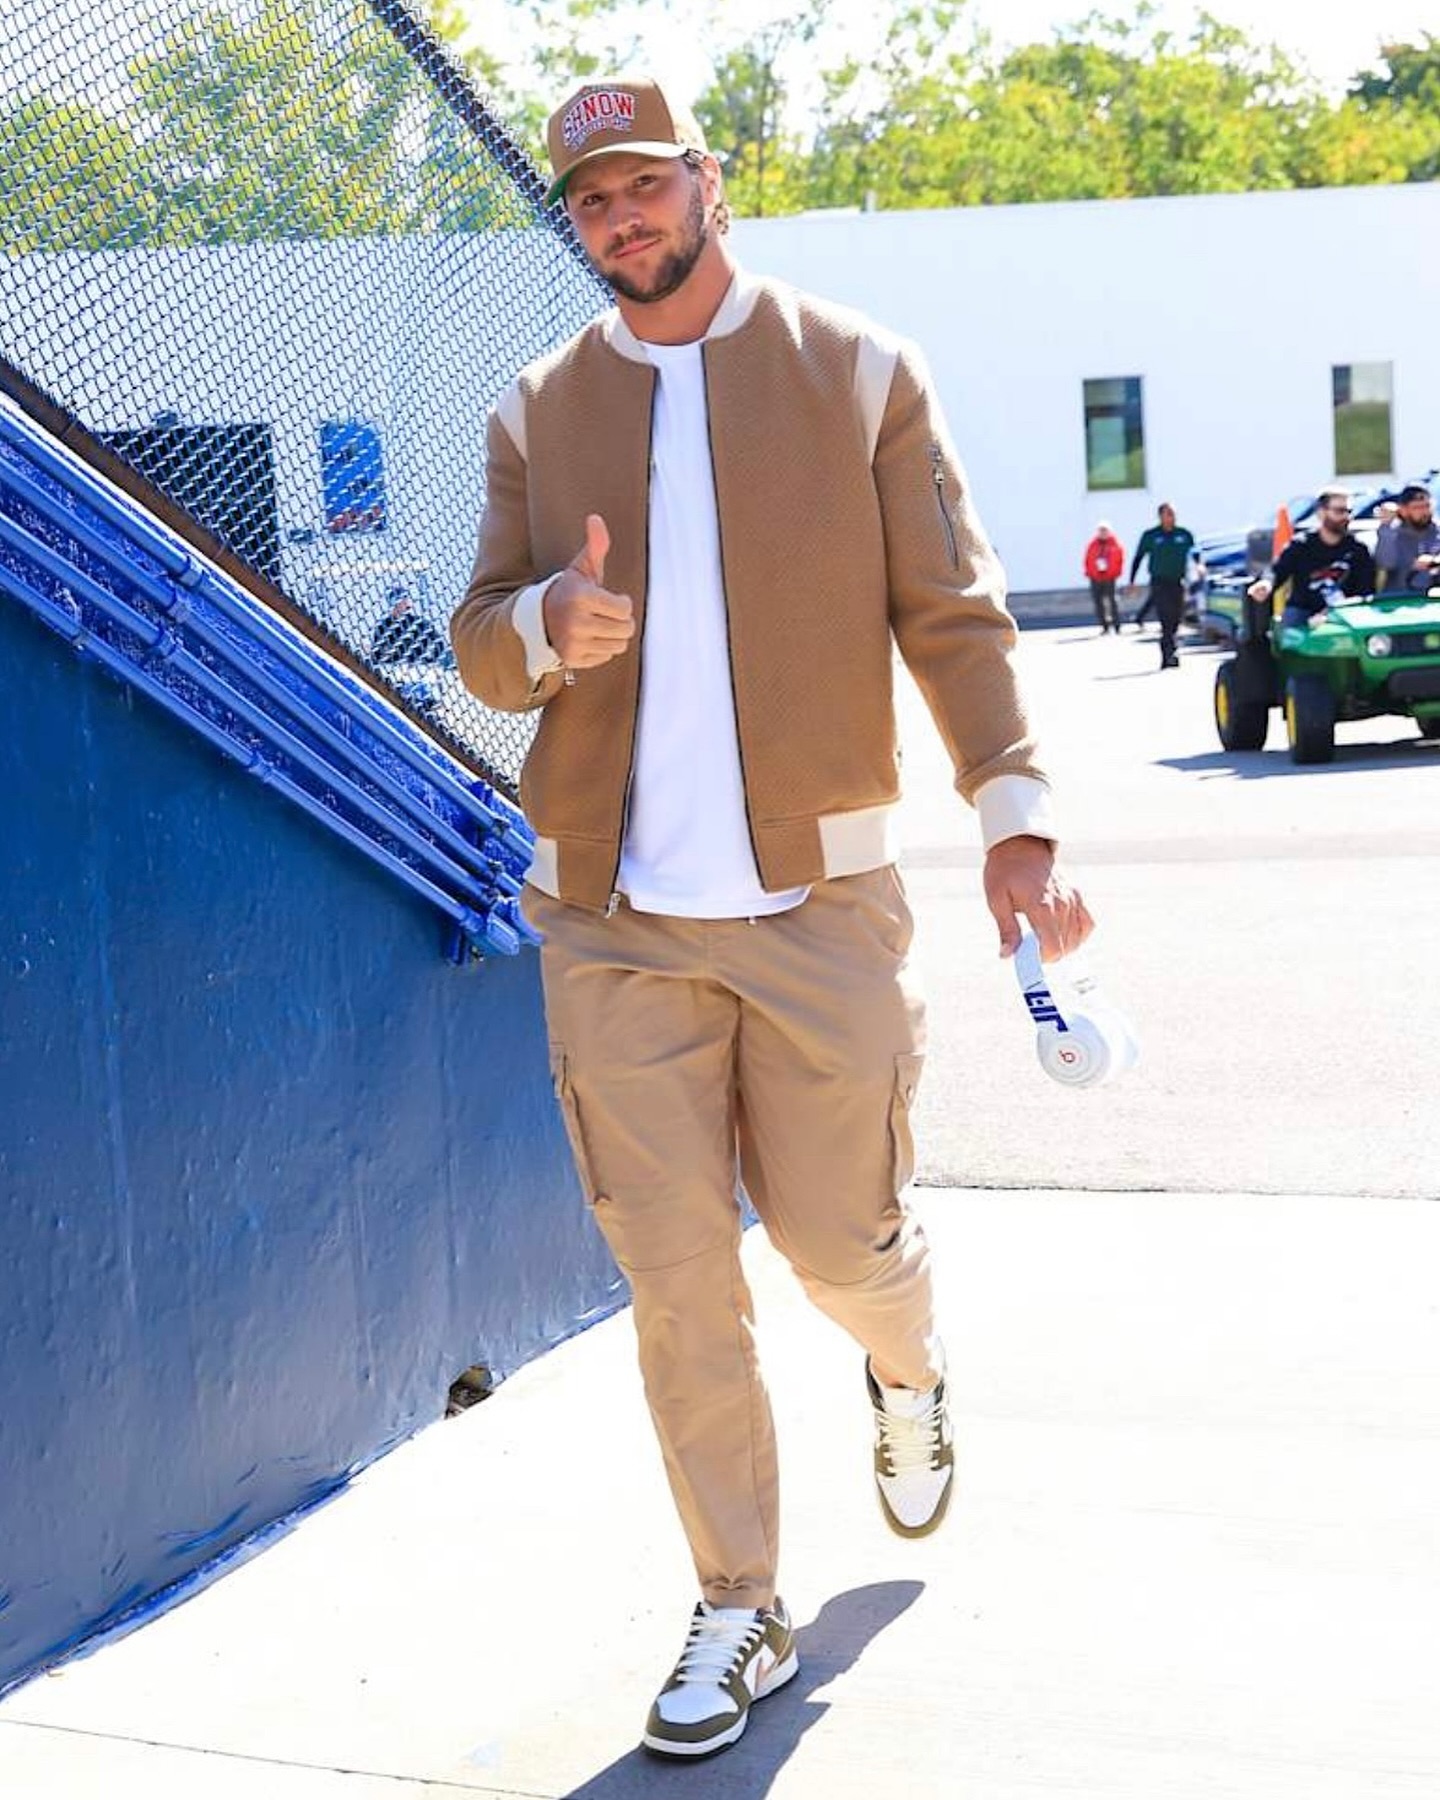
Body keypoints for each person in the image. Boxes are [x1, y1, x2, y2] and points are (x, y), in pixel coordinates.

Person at [450, 76, 1092, 1762]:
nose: (619, 222)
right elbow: (476, 634)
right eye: (589, 201)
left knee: (837, 1249)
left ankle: (906, 1360)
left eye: (643, 187)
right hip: (615, 922)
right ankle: (741, 1601)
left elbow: (952, 611)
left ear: (708, 184)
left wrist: (1015, 818)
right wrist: (544, 623)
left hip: (820, 911)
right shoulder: (537, 405)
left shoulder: (859, 370)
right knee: (677, 1286)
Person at [1247, 488, 1375, 629]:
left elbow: (1365, 591)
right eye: (1339, 511)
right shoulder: (1301, 544)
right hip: (1303, 611)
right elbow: (1277, 571)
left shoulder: (1358, 550)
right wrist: (1266, 584)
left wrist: (1329, 615)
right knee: (1291, 626)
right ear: (1321, 513)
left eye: (1348, 511)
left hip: (1344, 611)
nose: (1345, 517)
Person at [1126, 502, 1196, 668]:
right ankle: (1168, 655)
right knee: (1165, 618)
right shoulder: (1151, 535)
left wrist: (1198, 568)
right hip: (1159, 582)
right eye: (1168, 514)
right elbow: (1138, 557)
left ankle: (1172, 649)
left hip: (1178, 582)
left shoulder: (1184, 534)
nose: (1171, 517)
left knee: (1176, 619)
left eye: (1173, 513)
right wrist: (1132, 581)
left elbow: (1195, 555)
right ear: (1161, 516)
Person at [1374, 483, 1440, 594]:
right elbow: (1385, 562)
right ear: (1403, 510)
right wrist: (1386, 525)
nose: (1424, 512)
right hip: (1400, 599)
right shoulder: (1392, 533)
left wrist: (1434, 562)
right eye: (1417, 508)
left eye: (1427, 506)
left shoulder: (1437, 530)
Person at [369, 587, 451, 665]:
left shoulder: (420, 623)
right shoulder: (383, 627)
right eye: (400, 600)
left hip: (417, 666)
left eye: (405, 600)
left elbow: (439, 644)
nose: (403, 604)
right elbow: (377, 654)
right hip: (393, 666)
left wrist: (429, 661)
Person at [1082, 521, 1124, 632]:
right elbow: (1087, 560)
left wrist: (1117, 572)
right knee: (1098, 602)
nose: (1103, 533)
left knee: (1112, 601)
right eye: (1101, 531)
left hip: (1110, 577)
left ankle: (1117, 624)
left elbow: (1120, 560)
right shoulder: (1092, 545)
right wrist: (1089, 572)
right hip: (1095, 577)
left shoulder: (1115, 544)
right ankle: (1104, 625)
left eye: (1105, 531)